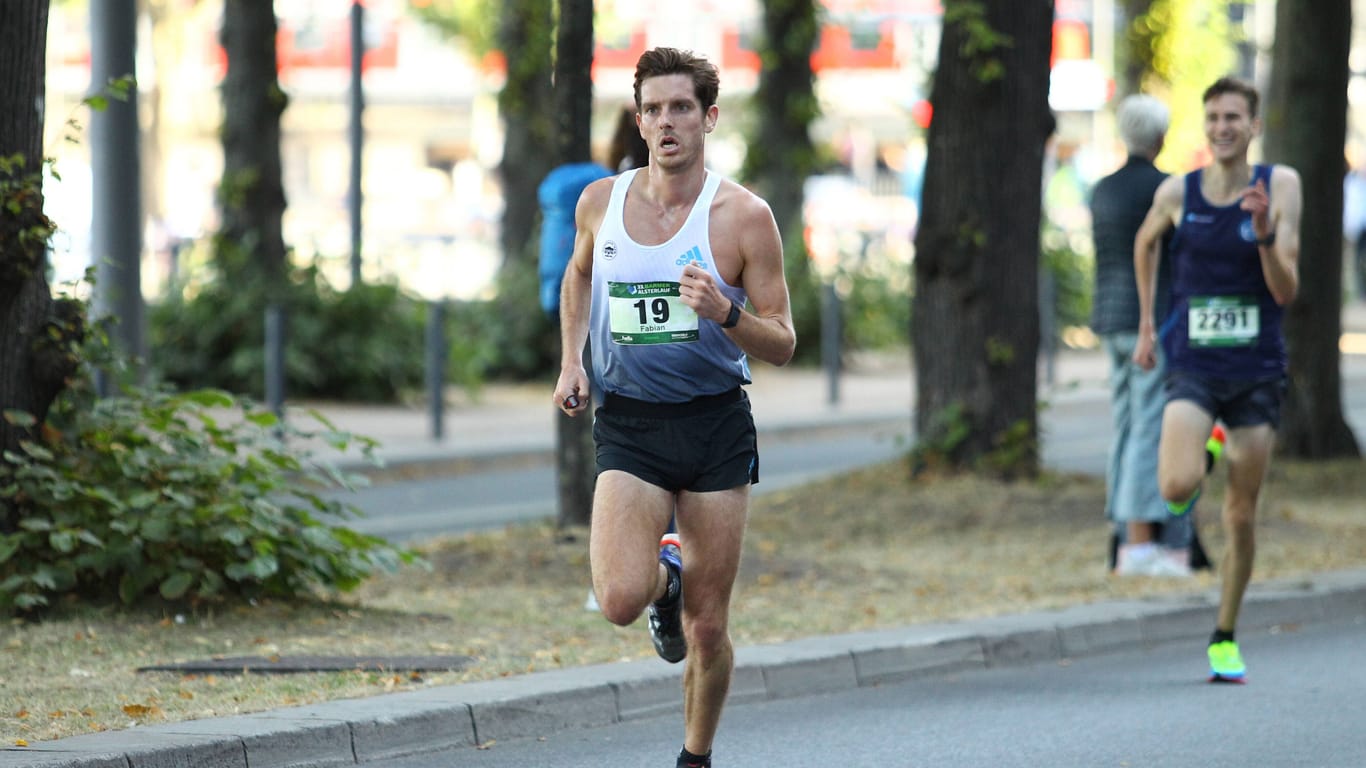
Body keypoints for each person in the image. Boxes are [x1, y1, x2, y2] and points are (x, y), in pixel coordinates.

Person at [553, 47, 795, 767]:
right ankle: (667, 577)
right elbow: (578, 275)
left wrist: (726, 313)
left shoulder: (745, 218)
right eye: (653, 109)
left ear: (709, 118)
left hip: (715, 425)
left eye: (681, 108)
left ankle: (695, 757)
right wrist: (572, 361)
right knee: (620, 597)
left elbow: (781, 342)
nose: (667, 123)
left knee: (709, 629)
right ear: (638, 120)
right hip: (630, 422)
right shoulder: (601, 202)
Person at [1133, 76, 1302, 683]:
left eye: (1234, 116)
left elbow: (1286, 291)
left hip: (1256, 370)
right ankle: (1204, 447)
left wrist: (1260, 236)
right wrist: (1148, 326)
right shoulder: (1179, 191)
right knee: (1176, 487)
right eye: (1213, 117)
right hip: (1195, 363)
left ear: (1254, 126)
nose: (1223, 127)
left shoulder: (1280, 186)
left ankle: (1225, 635)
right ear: (1204, 126)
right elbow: (1145, 241)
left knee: (1239, 513)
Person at [1090, 94, 1210, 577]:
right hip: (1150, 324)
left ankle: (1123, 533)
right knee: (1148, 430)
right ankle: (1139, 544)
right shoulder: (1166, 189)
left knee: (1123, 427)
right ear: (1160, 137)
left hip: (1109, 318)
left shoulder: (1101, 190)